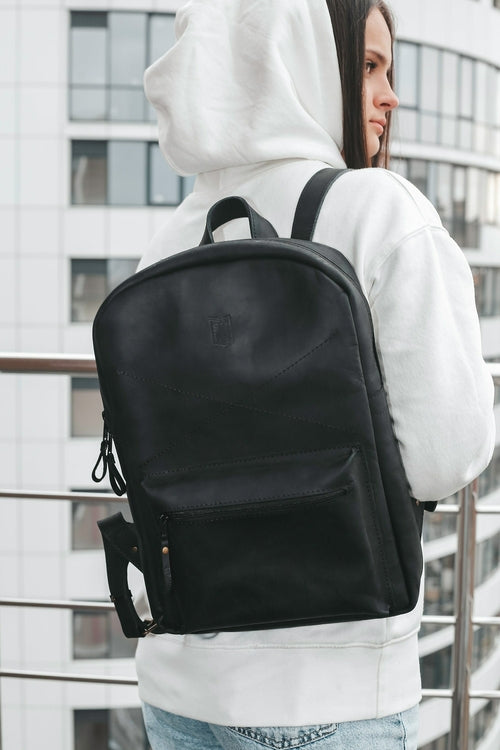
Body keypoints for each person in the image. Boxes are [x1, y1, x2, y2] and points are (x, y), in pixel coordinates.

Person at [136, 0, 495, 747]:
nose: (390, 96)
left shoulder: (170, 240)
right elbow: (444, 457)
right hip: (327, 692)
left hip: (179, 685)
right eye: (368, 67)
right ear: (300, 63)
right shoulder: (378, 209)